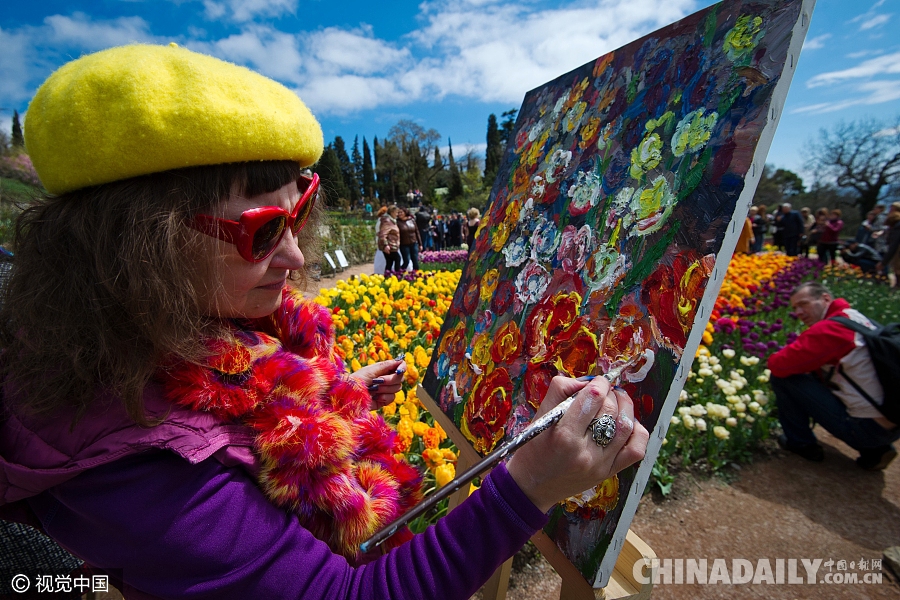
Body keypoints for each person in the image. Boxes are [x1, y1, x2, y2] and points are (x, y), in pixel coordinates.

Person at [0, 44, 648, 600]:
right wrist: (530, 485)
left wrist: (331, 407)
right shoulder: (139, 466)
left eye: (301, 211)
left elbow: (235, 437)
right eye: (260, 233)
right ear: (139, 251)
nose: (296, 255)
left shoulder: (171, 322)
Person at [767, 282, 898, 471]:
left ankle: (801, 443)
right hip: (891, 421)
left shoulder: (830, 330)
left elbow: (778, 365)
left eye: (804, 304)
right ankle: (876, 450)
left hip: (866, 429)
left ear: (825, 299)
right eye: (795, 308)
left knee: (784, 379)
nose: (799, 312)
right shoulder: (854, 317)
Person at [876, 203, 900, 287]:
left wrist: (883, 263)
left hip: (897, 254)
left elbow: (894, 246)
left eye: (892, 210)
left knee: (898, 271)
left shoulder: (897, 227)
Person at [377, 205, 402, 273]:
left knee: (389, 261)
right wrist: (386, 245)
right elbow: (383, 234)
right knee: (397, 259)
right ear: (392, 212)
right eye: (396, 212)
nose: (397, 214)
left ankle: (387, 277)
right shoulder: (387, 221)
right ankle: (398, 276)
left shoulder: (392, 220)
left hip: (391, 244)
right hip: (390, 245)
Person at [372, 205, 388, 275]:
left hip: (380, 242)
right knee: (383, 259)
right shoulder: (383, 221)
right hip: (383, 242)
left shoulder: (379, 220)